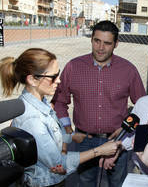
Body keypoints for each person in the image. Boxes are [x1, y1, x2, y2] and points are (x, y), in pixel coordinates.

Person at [0, 48, 121, 187]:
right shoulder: (33, 120)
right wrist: (100, 150)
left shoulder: (41, 101)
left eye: (58, 74)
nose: (59, 80)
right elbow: (59, 163)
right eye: (53, 77)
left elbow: (50, 135)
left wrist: (71, 137)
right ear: (32, 79)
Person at [51, 20, 146, 187]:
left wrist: (126, 130)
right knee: (85, 183)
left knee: (118, 183)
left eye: (107, 43)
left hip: (117, 141)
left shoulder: (128, 70)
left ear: (116, 44)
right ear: (91, 39)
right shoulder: (74, 67)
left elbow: (144, 106)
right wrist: (67, 129)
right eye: (97, 41)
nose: (100, 48)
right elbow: (59, 101)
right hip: (84, 141)